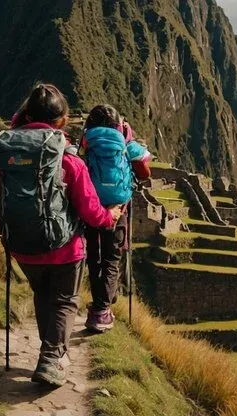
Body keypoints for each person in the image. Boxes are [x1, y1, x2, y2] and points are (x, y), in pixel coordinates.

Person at [0, 84, 122, 387]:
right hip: (64, 250)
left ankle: (50, 351)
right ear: (61, 120)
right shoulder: (67, 160)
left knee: (42, 295)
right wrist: (110, 216)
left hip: (23, 247)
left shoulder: (7, 157)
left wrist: (10, 232)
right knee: (64, 301)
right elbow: (90, 211)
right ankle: (51, 359)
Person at [79, 104, 151, 332]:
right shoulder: (126, 143)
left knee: (93, 254)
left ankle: (101, 302)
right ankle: (101, 310)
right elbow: (144, 170)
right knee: (112, 257)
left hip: (91, 204)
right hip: (118, 207)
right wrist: (128, 137)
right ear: (118, 124)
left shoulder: (87, 140)